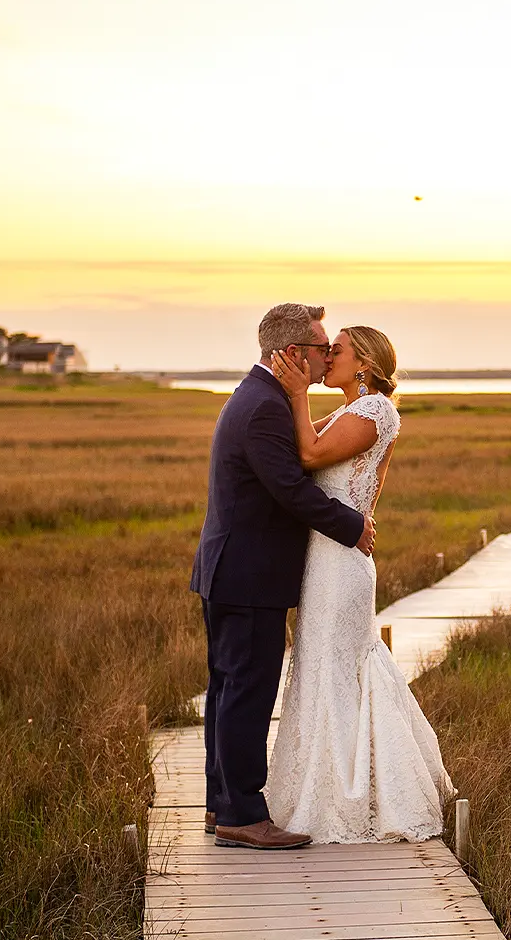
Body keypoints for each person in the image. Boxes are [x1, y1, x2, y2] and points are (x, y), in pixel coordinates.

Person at [189, 303, 377, 850]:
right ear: (293, 353)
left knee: (229, 689)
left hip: (232, 570)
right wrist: (352, 526)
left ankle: (220, 804)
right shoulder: (266, 407)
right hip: (248, 575)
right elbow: (291, 491)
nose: (325, 360)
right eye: (321, 350)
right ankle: (244, 816)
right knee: (246, 692)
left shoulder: (257, 396)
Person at [265, 325, 455, 842]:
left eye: (338, 350)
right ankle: (321, 783)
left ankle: (353, 795)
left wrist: (299, 392)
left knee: (338, 663)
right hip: (323, 560)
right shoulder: (353, 410)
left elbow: (307, 457)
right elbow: (298, 437)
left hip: (342, 564)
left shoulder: (375, 413)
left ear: (364, 364)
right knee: (322, 663)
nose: (328, 357)